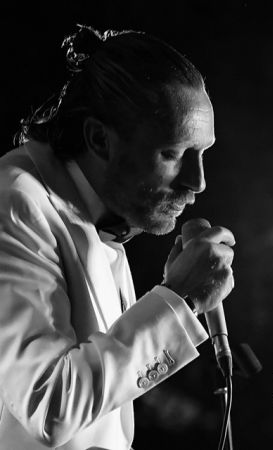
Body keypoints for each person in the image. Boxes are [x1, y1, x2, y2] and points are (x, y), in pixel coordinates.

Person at [0, 25, 235, 449]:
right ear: (99, 139)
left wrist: (172, 295)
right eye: (173, 153)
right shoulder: (15, 202)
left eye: (203, 153)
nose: (198, 181)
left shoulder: (99, 213)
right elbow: (48, 406)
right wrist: (180, 298)